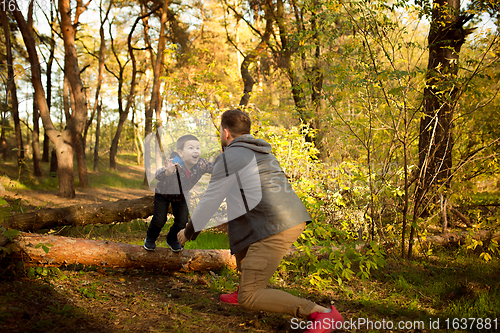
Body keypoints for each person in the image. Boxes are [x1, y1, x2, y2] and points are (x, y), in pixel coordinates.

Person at [177, 110, 343, 333]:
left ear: (225, 132)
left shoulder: (230, 157)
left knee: (250, 297)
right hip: (287, 216)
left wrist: (188, 232)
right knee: (243, 240)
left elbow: (209, 202)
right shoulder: (261, 153)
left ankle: (321, 313)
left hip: (275, 225)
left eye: (220, 131)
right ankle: (244, 285)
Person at [144, 134, 213, 252]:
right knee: (160, 219)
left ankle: (171, 239)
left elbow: (216, 168)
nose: (195, 151)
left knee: (182, 221)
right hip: (163, 194)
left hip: (181, 196)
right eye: (191, 148)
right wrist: (167, 173)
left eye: (197, 148)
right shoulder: (174, 164)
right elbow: (158, 174)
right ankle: (150, 238)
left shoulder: (201, 164)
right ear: (180, 153)